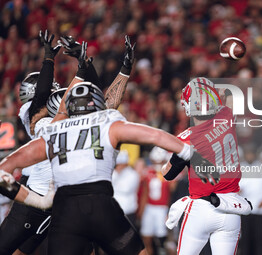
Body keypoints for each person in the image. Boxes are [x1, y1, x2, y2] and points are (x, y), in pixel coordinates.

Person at [0, 81, 210, 255]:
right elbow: (155, 135)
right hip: (101, 205)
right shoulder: (107, 122)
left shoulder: (53, 131)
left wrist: (38, 200)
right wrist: (188, 152)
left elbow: (4, 170)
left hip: (65, 212)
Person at [162, 77, 252, 255]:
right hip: (231, 208)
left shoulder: (187, 137)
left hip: (201, 209)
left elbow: (167, 174)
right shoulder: (226, 116)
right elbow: (228, 93)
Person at [0, 30, 62, 255]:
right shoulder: (31, 113)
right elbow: (43, 93)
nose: (55, 93)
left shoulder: (58, 116)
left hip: (56, 195)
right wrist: (48, 60)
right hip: (35, 193)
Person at [140, 146, 171, 255]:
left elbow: (172, 193)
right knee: (146, 238)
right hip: (149, 208)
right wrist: (141, 211)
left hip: (162, 209)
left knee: (162, 240)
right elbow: (144, 193)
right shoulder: (148, 172)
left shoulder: (169, 173)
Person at [112, 150, 140, 226]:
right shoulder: (113, 173)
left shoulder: (133, 174)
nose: (118, 166)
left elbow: (126, 189)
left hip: (128, 212)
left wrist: (113, 186)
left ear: (126, 164)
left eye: (120, 164)